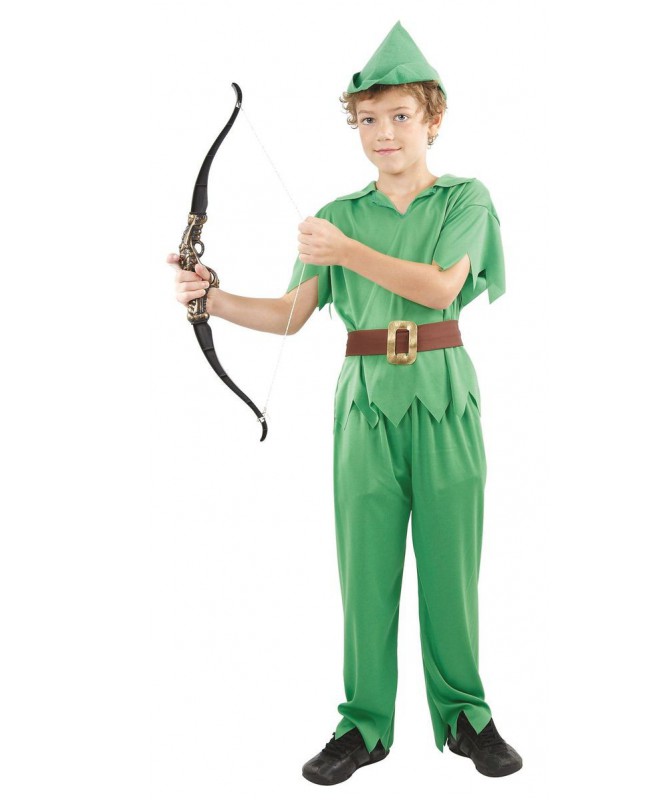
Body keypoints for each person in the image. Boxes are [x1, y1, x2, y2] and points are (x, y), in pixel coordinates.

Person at [168, 19, 522, 787]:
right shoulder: (336, 216)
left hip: (444, 395)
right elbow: (293, 313)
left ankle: (466, 715)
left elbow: (440, 288)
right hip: (363, 404)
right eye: (366, 119)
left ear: (433, 118)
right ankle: (363, 725)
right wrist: (212, 300)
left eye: (400, 115)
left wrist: (346, 252)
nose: (383, 133)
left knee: (451, 565)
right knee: (365, 569)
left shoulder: (464, 198)